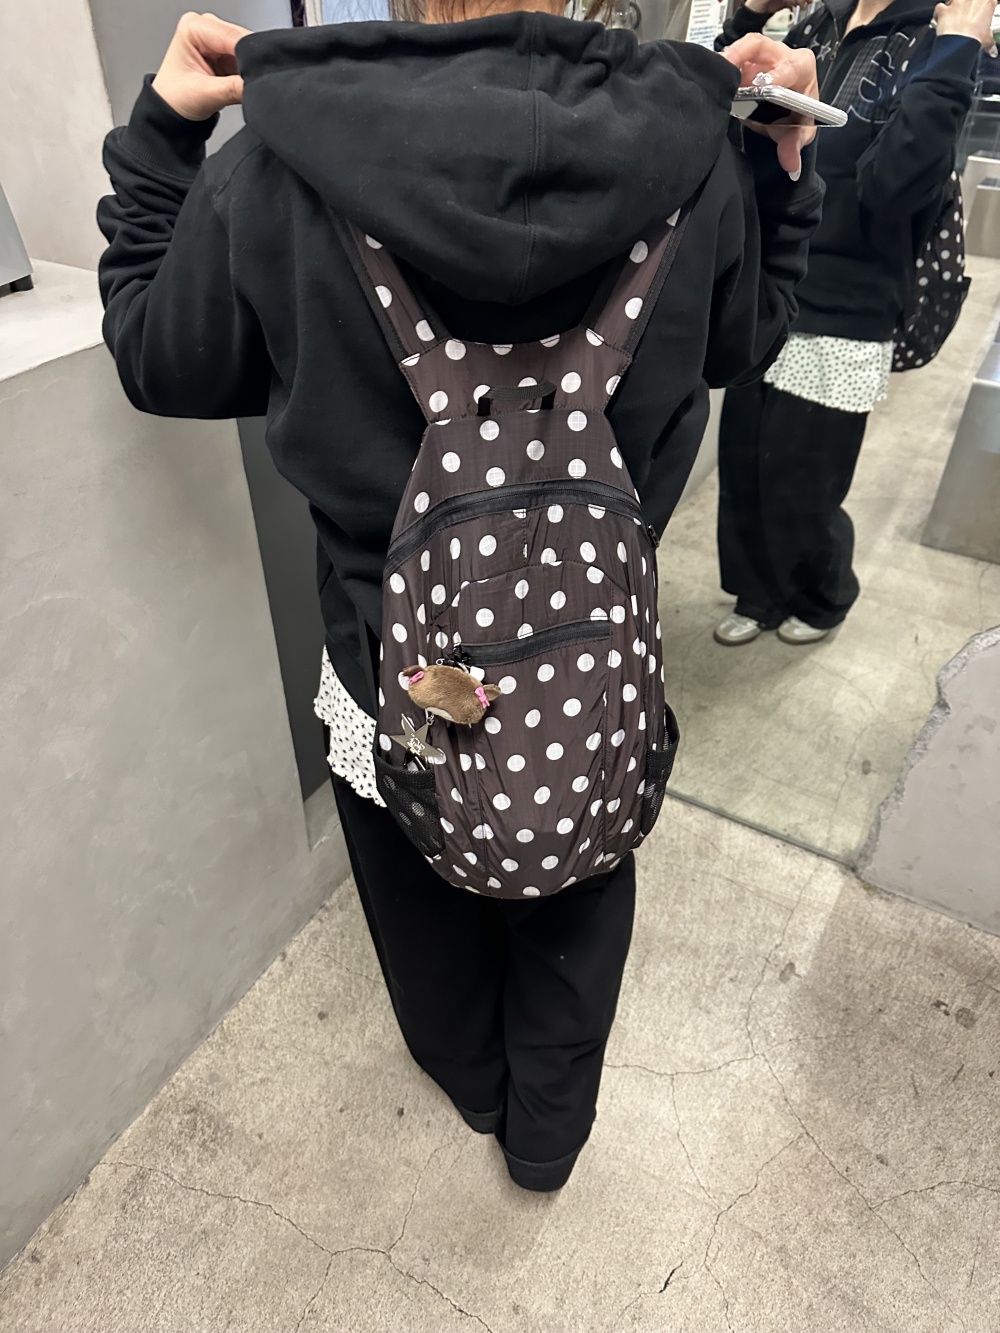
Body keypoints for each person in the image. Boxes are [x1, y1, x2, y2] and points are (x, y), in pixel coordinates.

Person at [97, 3, 821, 1190]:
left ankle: (475, 1082)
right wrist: (778, 174)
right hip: (593, 657)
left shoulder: (272, 171)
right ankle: (545, 1134)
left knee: (413, 887)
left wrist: (161, 140)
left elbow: (153, 353)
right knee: (580, 869)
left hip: (386, 657)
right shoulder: (696, 160)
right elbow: (745, 342)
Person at [713, 0, 996, 648]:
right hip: (770, 282)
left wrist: (959, 51)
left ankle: (822, 595)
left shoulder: (933, 38)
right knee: (745, 466)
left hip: (848, 302)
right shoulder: (821, 24)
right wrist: (749, 17)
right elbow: (731, 112)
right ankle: (757, 592)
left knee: (804, 482)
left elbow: (897, 185)